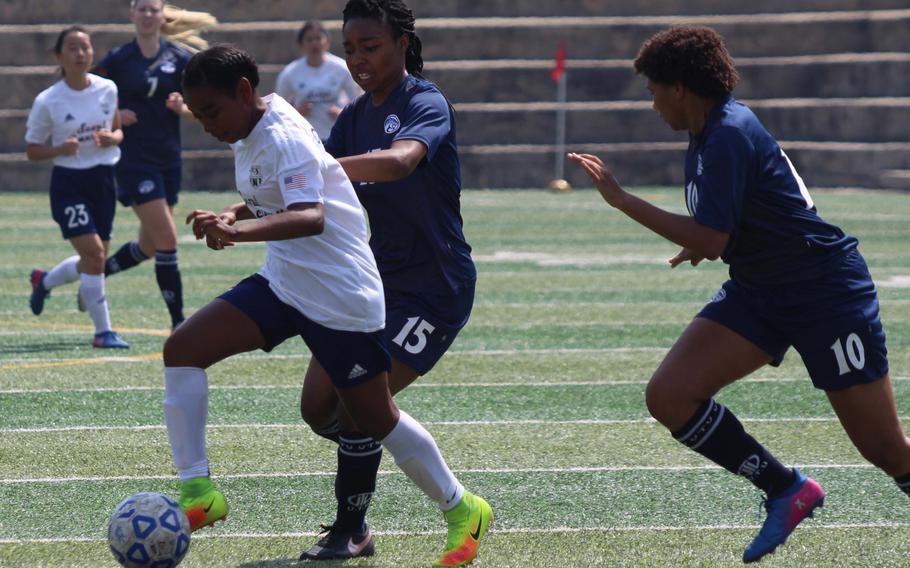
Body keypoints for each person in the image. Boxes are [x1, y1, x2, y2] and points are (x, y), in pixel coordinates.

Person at [569, 26, 910, 563]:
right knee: (670, 396)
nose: (653, 103)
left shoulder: (726, 132)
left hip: (825, 292)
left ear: (681, 87)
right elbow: (728, 224)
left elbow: (711, 235)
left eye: (655, 90)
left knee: (886, 449)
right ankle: (785, 488)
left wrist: (621, 199)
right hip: (761, 288)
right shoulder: (710, 130)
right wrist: (701, 245)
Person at [163, 44, 492, 568]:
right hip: (286, 284)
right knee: (183, 348)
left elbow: (311, 214)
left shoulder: (282, 133)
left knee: (372, 416)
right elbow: (281, 186)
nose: (205, 124)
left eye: (211, 112)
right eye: (197, 114)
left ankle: (462, 507)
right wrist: (230, 212)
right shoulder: (251, 122)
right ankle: (199, 492)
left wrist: (238, 232)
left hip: (340, 298)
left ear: (244, 93)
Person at [296, 1, 482, 564]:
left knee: (358, 408)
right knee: (317, 408)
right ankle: (402, 468)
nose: (358, 60)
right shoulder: (353, 116)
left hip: (435, 287)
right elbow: (312, 181)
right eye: (350, 49)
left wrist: (328, 168)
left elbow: (400, 163)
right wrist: (245, 209)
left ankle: (353, 528)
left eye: (370, 46)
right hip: (373, 282)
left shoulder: (425, 101)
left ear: (402, 43)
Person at [92, 0, 216, 331]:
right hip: (133, 161)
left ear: (163, 15)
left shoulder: (179, 58)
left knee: (149, 246)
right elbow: (90, 99)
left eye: (153, 9)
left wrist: (184, 108)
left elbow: (202, 107)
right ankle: (179, 323)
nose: (147, 15)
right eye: (141, 9)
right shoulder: (118, 59)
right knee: (168, 239)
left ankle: (94, 275)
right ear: (131, 14)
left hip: (168, 160)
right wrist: (117, 115)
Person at [25, 25, 129, 349]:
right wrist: (59, 149)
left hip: (103, 180)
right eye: (72, 48)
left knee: (93, 261)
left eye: (85, 47)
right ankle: (103, 333)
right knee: (95, 256)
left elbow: (118, 130)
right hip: (69, 183)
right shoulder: (48, 100)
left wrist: (112, 138)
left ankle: (45, 281)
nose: (81, 53)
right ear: (59, 56)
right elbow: (32, 149)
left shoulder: (107, 88)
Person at [275, 20, 362, 142]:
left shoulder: (342, 69)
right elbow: (278, 109)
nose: (314, 44)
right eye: (309, 40)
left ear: (327, 42)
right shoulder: (290, 73)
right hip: (304, 138)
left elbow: (359, 101)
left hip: (337, 134)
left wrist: (343, 113)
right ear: (301, 44)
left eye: (318, 38)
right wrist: (296, 113)